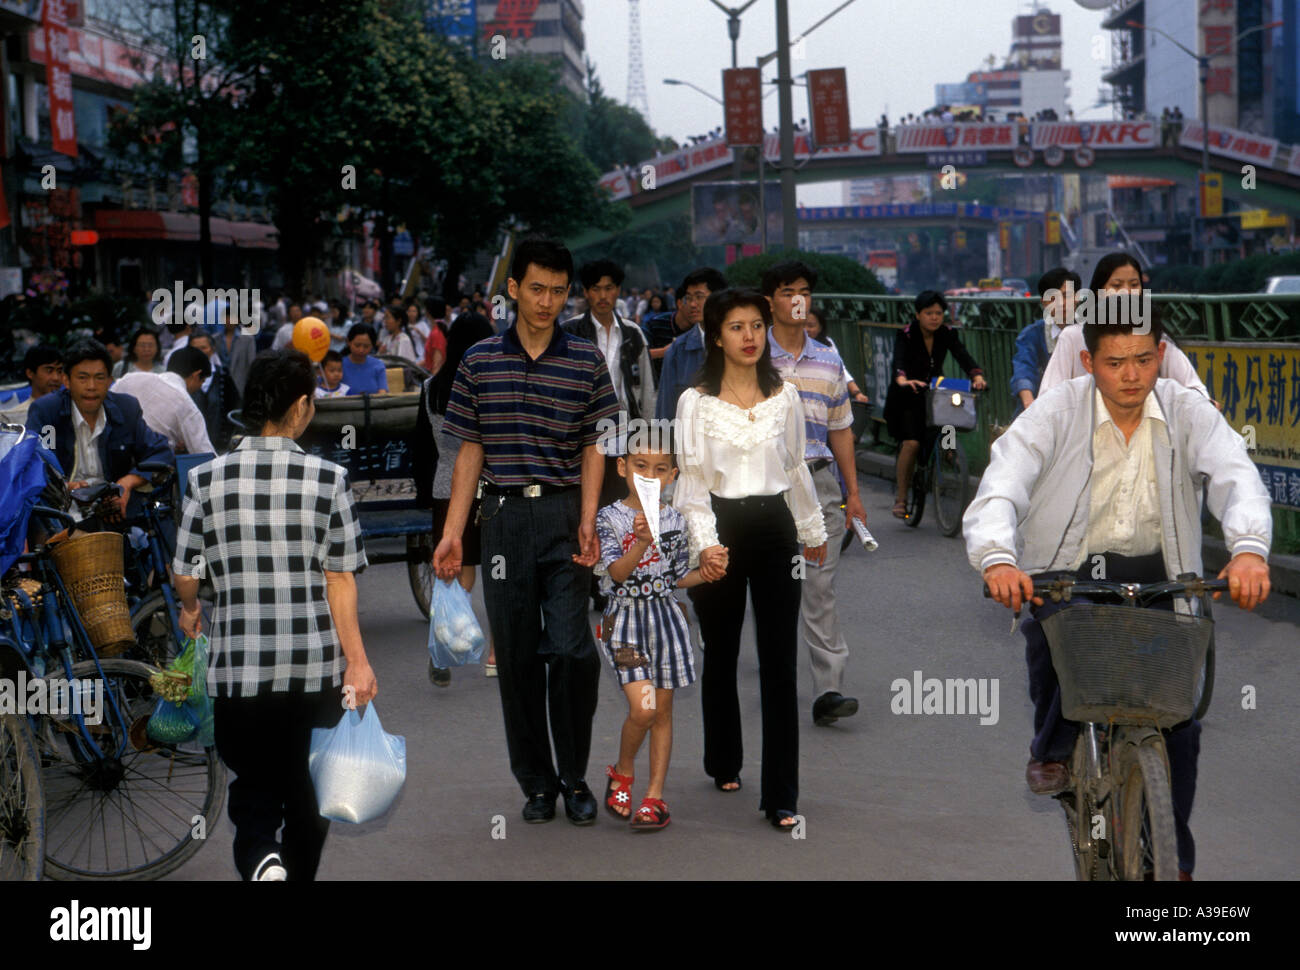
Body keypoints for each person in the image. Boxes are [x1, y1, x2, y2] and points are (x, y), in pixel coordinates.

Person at [965, 298, 1272, 880]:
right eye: (1114, 362)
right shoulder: (1056, 411)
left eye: (1142, 359)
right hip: (1069, 567)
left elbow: (1237, 474)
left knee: (1179, 721)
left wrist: (1250, 548)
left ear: (1160, 355)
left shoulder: (1186, 409)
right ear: (1088, 361)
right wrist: (999, 559)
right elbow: (1003, 482)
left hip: (1163, 571)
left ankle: (1172, 858)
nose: (1131, 376)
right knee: (1053, 632)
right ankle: (1052, 747)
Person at [433, 239, 619, 826]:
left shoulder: (586, 360)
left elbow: (597, 445)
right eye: (536, 288)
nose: (547, 302)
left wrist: (589, 518)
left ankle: (575, 775)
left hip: (566, 516)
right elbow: (470, 451)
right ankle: (537, 783)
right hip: (504, 520)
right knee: (514, 658)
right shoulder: (479, 360)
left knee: (572, 651)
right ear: (512, 288)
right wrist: (453, 533)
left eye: (559, 291)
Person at [172, 349, 375, 882]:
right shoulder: (329, 479)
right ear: (303, 406)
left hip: (240, 678)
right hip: (314, 673)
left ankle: (263, 859)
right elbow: (340, 580)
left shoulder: (206, 480)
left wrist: (191, 609)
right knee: (309, 796)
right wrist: (358, 663)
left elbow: (186, 574)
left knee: (255, 793)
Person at [673, 288, 828, 828]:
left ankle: (782, 795)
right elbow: (691, 483)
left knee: (779, 662)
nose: (749, 337)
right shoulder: (695, 401)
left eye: (757, 326)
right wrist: (705, 543)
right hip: (718, 527)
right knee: (720, 649)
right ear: (716, 335)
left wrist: (811, 528)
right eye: (736, 327)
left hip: (775, 528)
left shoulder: (784, 395)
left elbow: (795, 467)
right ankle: (723, 758)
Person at [763, 262, 864, 727]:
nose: (798, 301)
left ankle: (828, 687)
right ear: (771, 301)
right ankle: (776, 681)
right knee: (771, 589)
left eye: (804, 292)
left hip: (820, 482)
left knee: (818, 586)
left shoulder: (829, 359)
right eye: (788, 292)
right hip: (764, 486)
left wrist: (854, 493)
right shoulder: (751, 355)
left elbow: (841, 429)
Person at [596, 433, 707, 831]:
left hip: (666, 622)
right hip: (624, 624)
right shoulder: (609, 517)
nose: (649, 475)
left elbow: (678, 577)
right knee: (642, 708)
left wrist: (705, 574)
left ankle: (654, 796)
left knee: (662, 712)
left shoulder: (676, 519)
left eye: (660, 470)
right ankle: (623, 770)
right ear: (622, 467)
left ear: (672, 476)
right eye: (640, 466)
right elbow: (616, 573)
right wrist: (642, 544)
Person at [562, 258, 657, 610]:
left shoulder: (633, 333)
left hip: (625, 437)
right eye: (596, 289)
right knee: (586, 510)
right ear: (585, 293)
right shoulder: (570, 332)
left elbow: (647, 390)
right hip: (583, 441)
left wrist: (648, 442)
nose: (603, 296)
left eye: (609, 288)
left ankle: (614, 582)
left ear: (618, 291)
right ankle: (588, 581)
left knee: (619, 513)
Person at [419, 308, 496, 686]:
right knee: (499, 568)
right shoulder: (487, 384)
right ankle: (498, 651)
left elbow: (422, 446)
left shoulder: (431, 386)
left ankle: (444, 641)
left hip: (445, 487)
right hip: (490, 486)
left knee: (453, 572)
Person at [27, 339, 173, 522]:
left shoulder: (126, 409)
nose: (91, 386)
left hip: (114, 511)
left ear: (110, 381)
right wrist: (65, 487)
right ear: (66, 380)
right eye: (82, 377)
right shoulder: (47, 411)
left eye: (99, 377)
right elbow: (33, 463)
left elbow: (161, 452)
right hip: (60, 513)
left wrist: (127, 482)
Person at [1039, 253, 1209, 399]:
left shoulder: (1154, 335)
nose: (1127, 292)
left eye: (1134, 285)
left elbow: (1195, 390)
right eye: (1117, 285)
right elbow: (1048, 397)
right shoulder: (1073, 336)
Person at [883, 290, 987, 519]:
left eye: (939, 313)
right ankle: (901, 498)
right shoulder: (907, 334)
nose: (934, 318)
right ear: (918, 314)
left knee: (948, 425)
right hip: (908, 394)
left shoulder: (947, 333)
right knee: (911, 443)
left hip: (934, 391)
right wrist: (903, 380)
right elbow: (898, 362)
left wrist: (976, 375)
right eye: (929, 313)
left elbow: (962, 355)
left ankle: (947, 451)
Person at [653, 267, 729, 420]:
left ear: (719, 298)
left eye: (699, 297)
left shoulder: (738, 344)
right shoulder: (677, 350)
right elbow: (666, 408)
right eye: (689, 298)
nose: (693, 304)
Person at [111, 346, 215, 455]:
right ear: (196, 375)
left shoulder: (129, 379)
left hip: (112, 453)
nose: (199, 387)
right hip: (150, 463)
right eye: (202, 381)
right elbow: (204, 453)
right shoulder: (187, 405)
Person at [1009, 267, 1083, 414]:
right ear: (1045, 304)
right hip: (1043, 411)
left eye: (1066, 295)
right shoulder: (1031, 335)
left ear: (1077, 298)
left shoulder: (1088, 332)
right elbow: (1023, 370)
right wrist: (1029, 403)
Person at [803, 305, 870, 405]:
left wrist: (857, 393)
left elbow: (840, 369)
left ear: (820, 327)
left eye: (811, 326)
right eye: (801, 325)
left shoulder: (828, 344)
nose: (806, 329)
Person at [0, 344, 63, 426]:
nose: (56, 378)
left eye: (59, 371)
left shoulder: (74, 412)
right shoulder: (11, 419)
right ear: (30, 373)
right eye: (49, 371)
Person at [341, 324, 388, 394]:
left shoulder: (378, 365)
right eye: (357, 345)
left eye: (366, 346)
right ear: (349, 342)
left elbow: (382, 393)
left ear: (372, 346)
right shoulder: (339, 365)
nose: (361, 350)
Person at [421, 297, 449, 375]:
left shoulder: (437, 333)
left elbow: (437, 364)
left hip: (433, 377)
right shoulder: (436, 330)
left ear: (428, 312)